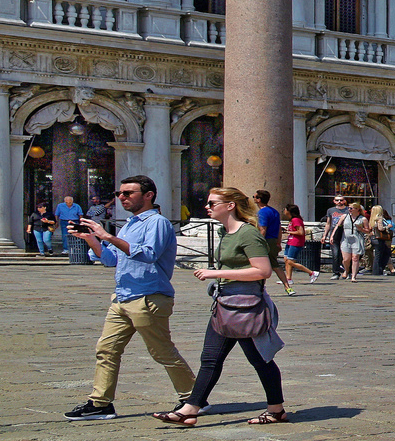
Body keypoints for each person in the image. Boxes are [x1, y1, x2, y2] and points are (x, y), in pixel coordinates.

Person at [63, 175, 195, 422]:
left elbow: (148, 254)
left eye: (128, 193)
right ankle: (100, 403)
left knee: (162, 352)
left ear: (148, 195)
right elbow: (110, 259)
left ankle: (193, 397)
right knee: (106, 349)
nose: (121, 197)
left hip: (149, 297)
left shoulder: (157, 223)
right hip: (122, 297)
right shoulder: (129, 225)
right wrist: (91, 238)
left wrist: (108, 236)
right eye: (119, 193)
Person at [153, 187, 287, 426]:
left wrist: (216, 273)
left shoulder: (247, 234)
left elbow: (263, 271)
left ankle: (276, 410)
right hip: (224, 302)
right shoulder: (225, 232)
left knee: (260, 360)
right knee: (210, 358)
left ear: (230, 206)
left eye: (212, 203)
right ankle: (190, 409)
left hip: (246, 305)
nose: (207, 206)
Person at [253, 191, 286, 292]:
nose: (253, 198)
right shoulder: (274, 211)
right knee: (275, 264)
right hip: (274, 240)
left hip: (266, 240)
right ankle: (287, 286)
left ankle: (260, 288)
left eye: (254, 196)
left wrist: (258, 243)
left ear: (258, 200)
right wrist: (278, 242)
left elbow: (263, 229)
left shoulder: (262, 212)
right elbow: (279, 229)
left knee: (259, 264)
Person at [279, 205, 318, 290]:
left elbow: (301, 232)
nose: (284, 211)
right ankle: (288, 278)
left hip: (296, 242)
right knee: (286, 260)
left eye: (285, 209)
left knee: (290, 261)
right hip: (290, 241)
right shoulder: (292, 220)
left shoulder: (296, 220)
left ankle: (311, 273)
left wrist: (289, 232)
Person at [323, 195, 351, 278]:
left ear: (344, 201)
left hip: (345, 233)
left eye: (341, 200)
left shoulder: (348, 210)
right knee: (335, 253)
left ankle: (348, 271)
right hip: (334, 233)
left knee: (346, 255)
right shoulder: (330, 210)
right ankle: (336, 272)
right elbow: (328, 223)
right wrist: (325, 235)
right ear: (334, 201)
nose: (339, 202)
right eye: (337, 200)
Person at [341, 203, 366, 281]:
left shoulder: (363, 219)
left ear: (357, 209)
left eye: (351, 208)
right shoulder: (344, 216)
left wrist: (361, 229)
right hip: (346, 239)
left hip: (357, 239)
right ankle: (347, 270)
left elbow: (368, 231)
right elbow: (338, 226)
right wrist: (332, 236)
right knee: (346, 259)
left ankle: (353, 277)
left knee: (355, 258)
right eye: (349, 208)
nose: (349, 210)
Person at [366, 205, 392, 276]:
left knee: (379, 254)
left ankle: (377, 270)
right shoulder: (379, 218)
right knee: (381, 255)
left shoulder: (372, 219)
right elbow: (381, 228)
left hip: (373, 238)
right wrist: (388, 227)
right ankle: (377, 271)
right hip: (379, 238)